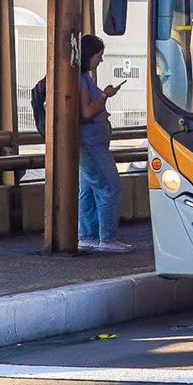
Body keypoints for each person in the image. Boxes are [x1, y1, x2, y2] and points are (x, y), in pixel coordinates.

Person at [77, 34, 132, 253]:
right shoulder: (81, 79)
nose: (100, 60)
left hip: (89, 144)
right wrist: (105, 96)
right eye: (98, 56)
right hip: (92, 144)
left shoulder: (83, 77)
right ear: (88, 55)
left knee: (89, 190)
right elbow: (87, 112)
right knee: (109, 187)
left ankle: (87, 235)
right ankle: (107, 238)